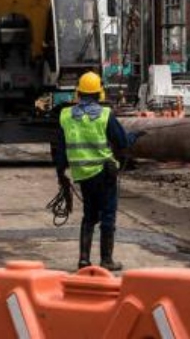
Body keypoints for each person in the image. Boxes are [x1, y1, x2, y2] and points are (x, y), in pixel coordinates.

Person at [55, 71, 141, 271]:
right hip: (104, 173)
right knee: (108, 215)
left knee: (89, 215)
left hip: (83, 175)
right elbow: (122, 142)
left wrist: (61, 174)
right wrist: (135, 136)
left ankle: (84, 259)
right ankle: (106, 260)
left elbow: (60, 149)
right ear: (99, 94)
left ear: (79, 93)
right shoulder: (105, 115)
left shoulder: (66, 115)